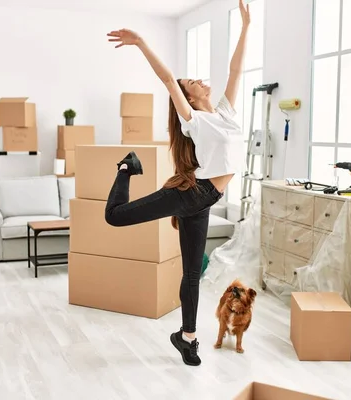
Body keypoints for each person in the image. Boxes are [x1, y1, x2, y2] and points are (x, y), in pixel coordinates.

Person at [105, 0, 251, 367]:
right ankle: (127, 167)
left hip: (205, 200)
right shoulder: (194, 121)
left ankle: (187, 338)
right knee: (116, 217)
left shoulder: (224, 115)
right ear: (188, 96)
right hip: (190, 195)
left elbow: (236, 70)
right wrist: (140, 43)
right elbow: (169, 79)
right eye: (193, 82)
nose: (201, 80)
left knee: (191, 274)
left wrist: (246, 26)